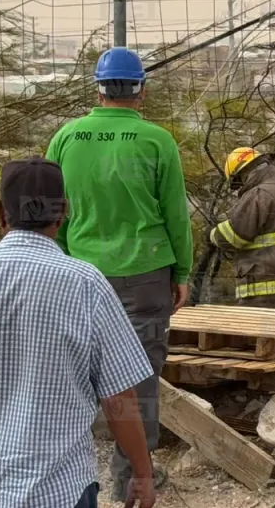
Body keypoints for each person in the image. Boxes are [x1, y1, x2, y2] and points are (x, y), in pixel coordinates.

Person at [0, 157, 157, 508]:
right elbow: (119, 398)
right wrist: (142, 475)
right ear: (63, 213)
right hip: (60, 489)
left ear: (0, 212)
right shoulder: (86, 283)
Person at [45, 47, 193, 502]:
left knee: (73, 372)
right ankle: (131, 475)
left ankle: (70, 472)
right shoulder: (156, 141)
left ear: (99, 88)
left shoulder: (67, 138)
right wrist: (182, 272)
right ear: (140, 90)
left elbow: (53, 209)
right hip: (145, 274)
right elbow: (175, 215)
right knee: (141, 374)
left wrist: (66, 257)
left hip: (81, 272)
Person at [209, 147, 275, 310]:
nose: (240, 187)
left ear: (244, 173)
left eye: (238, 181)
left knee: (256, 335)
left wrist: (211, 235)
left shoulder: (260, 193)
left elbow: (235, 235)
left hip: (265, 287)